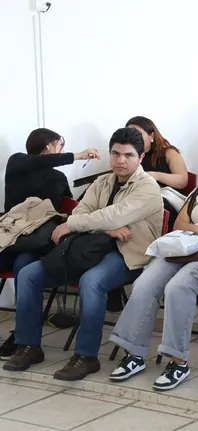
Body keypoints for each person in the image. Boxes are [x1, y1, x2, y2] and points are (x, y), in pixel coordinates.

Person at [3, 127, 163, 381]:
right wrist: (108, 230)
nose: (121, 160)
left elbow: (113, 215)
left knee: (91, 282)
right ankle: (28, 345)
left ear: (140, 158)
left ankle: (86, 356)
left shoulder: (148, 187)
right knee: (29, 274)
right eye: (115, 153)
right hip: (88, 247)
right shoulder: (102, 182)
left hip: (127, 254)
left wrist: (89, 224)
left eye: (128, 155)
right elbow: (80, 213)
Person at [108, 142, 198, 391]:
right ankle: (134, 354)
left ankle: (178, 361)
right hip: (186, 248)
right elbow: (179, 223)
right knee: (145, 282)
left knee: (178, 286)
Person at [0, 128, 100, 359]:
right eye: (59, 145)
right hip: (10, 239)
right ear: (48, 146)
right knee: (20, 263)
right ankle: (23, 336)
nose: (61, 150)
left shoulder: (57, 178)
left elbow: (70, 207)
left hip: (34, 242)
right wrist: (77, 155)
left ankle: (23, 338)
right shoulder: (17, 162)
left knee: (24, 268)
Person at [126, 116, 189, 228]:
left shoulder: (169, 153)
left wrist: (155, 176)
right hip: (138, 201)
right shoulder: (129, 155)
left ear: (152, 136)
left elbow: (183, 180)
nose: (133, 138)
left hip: (165, 204)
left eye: (138, 134)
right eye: (129, 134)